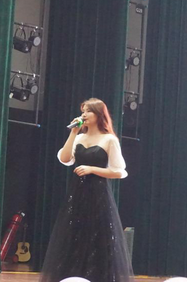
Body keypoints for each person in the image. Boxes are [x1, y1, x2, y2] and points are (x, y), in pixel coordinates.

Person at [40, 98, 133, 282]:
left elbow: (120, 172)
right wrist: (73, 132)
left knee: (97, 237)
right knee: (74, 236)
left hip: (99, 194)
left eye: (88, 111)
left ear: (99, 115)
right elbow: (65, 159)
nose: (84, 115)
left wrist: (92, 169)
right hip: (77, 193)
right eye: (83, 111)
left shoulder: (109, 139)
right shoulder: (79, 137)